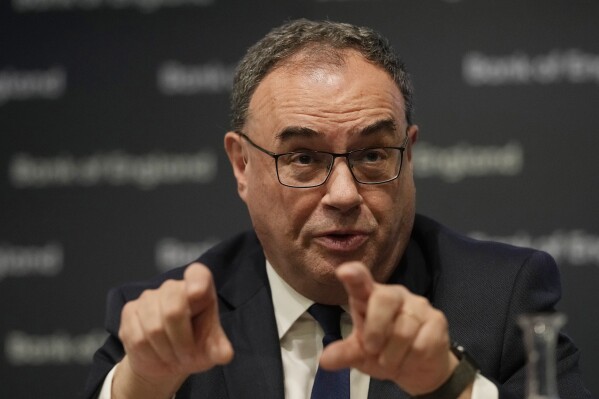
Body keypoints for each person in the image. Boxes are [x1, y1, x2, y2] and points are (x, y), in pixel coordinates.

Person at [84, 19, 593, 399]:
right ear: (242, 166)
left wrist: (449, 385)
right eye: (304, 158)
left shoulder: (503, 299)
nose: (345, 194)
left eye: (373, 155)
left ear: (409, 153)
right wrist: (144, 384)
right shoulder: (164, 324)